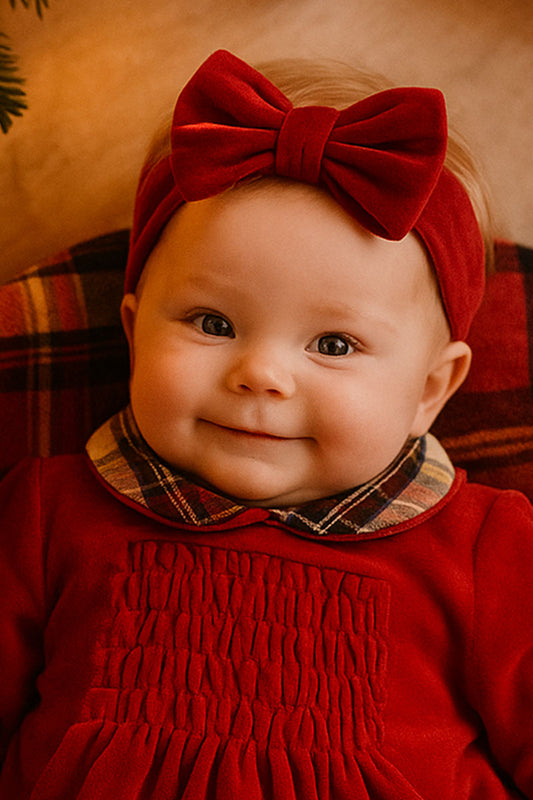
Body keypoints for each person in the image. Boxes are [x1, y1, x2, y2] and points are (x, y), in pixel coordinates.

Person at [0, 48, 532, 800]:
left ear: (429, 390)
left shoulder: (490, 550)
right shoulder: (45, 513)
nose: (261, 374)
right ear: (134, 334)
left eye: (334, 344)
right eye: (212, 322)